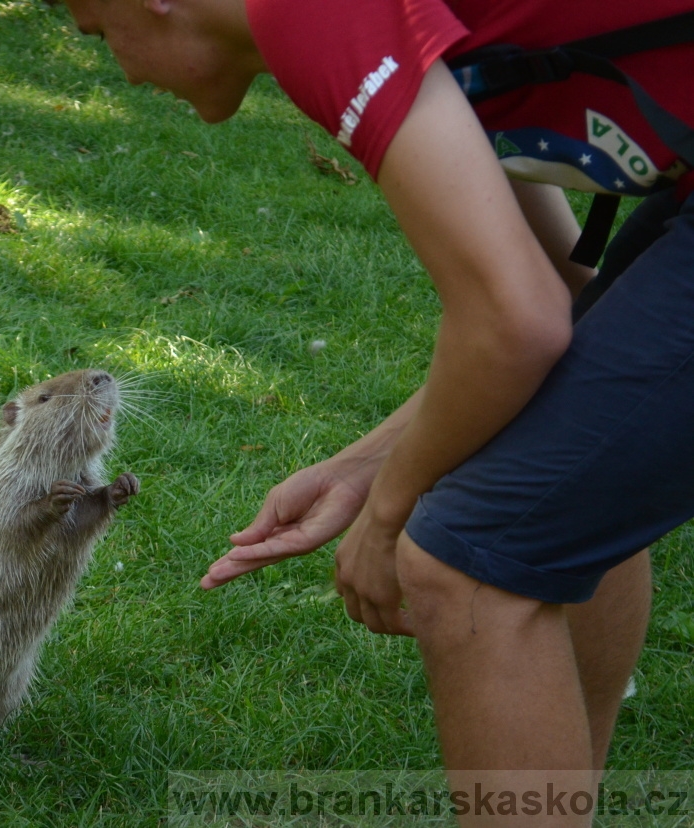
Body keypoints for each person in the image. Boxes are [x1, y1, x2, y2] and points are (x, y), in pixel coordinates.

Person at [50, 0, 694, 822]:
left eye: (100, 31)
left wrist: (390, 512)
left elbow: (518, 322)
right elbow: (560, 312)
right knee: (550, 473)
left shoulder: (309, 13)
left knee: (468, 559)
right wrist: (365, 467)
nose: (123, 68)